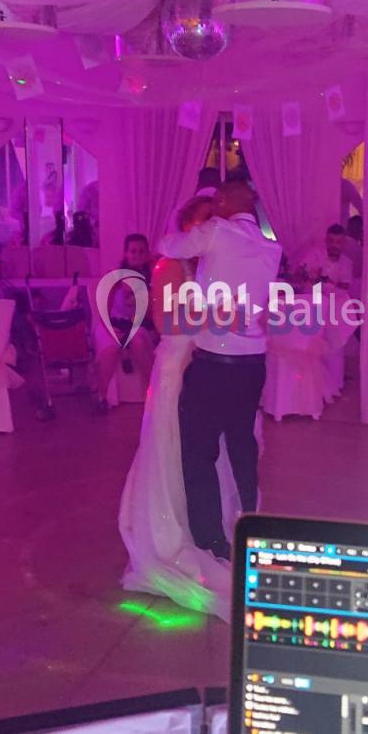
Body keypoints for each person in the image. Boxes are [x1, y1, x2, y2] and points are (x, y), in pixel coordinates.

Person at [117, 195, 243, 616]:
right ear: (190, 225)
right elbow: (163, 322)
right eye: (207, 224)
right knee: (171, 445)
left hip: (202, 362)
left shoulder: (206, 267)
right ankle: (168, 532)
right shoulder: (167, 266)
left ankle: (205, 525)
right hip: (177, 363)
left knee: (203, 449)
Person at [160, 179, 282, 560]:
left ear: (225, 201)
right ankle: (250, 518)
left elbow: (168, 246)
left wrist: (197, 228)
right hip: (252, 364)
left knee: (200, 453)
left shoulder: (216, 232)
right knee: (243, 445)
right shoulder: (270, 247)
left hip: (214, 364)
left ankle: (211, 539)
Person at [94, 233, 157, 412]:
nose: (136, 255)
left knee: (137, 340)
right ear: (126, 253)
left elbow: (153, 314)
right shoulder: (115, 278)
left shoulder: (154, 278)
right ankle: (102, 396)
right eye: (133, 251)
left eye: (141, 252)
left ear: (146, 254)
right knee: (111, 348)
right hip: (111, 323)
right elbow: (103, 308)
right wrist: (110, 328)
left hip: (138, 326)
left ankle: (152, 395)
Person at [300, 224, 353, 291]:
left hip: (333, 299)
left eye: (338, 242)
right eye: (331, 241)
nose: (334, 245)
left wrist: (328, 282)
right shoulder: (315, 254)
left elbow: (343, 289)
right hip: (309, 296)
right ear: (326, 240)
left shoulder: (346, 263)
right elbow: (298, 273)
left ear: (344, 243)